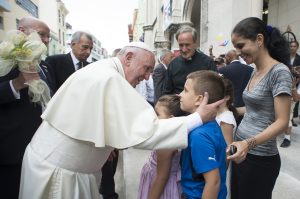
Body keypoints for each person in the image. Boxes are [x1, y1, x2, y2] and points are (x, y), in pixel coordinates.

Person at [19, 42, 224, 199]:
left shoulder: (104, 71)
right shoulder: (109, 78)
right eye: (146, 69)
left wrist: (106, 145)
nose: (146, 77)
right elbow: (147, 132)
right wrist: (197, 118)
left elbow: (98, 123)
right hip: (60, 174)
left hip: (63, 167)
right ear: (128, 58)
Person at [227, 17, 292, 199]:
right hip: (242, 153)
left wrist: (247, 143)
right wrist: (230, 109)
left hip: (260, 159)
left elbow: (282, 121)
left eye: (241, 45)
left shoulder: (279, 72)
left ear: (259, 40)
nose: (238, 52)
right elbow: (258, 109)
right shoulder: (255, 70)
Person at [0, 16, 55, 199]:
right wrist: (17, 84)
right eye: (42, 35)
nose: (46, 40)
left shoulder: (44, 65)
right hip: (11, 150)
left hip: (39, 149)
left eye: (48, 37)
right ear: (22, 31)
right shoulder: (3, 58)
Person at [180, 71, 227, 199]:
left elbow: (213, 182)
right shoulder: (211, 125)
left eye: (185, 90)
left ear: (199, 99)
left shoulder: (199, 135)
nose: (180, 95)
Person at [137, 94, 186, 199]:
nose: (153, 117)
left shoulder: (166, 143)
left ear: (171, 119)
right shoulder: (174, 135)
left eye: (157, 114)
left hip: (159, 187)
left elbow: (162, 177)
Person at [163, 26, 216, 95]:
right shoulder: (173, 64)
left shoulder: (208, 63)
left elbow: (215, 90)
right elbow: (167, 92)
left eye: (187, 45)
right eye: (181, 45)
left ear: (195, 44)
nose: (184, 49)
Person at [99, 48, 121, 199]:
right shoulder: (105, 82)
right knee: (106, 171)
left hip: (114, 137)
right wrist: (106, 145)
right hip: (104, 139)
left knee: (111, 167)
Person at [218, 49, 253, 125]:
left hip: (228, 108)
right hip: (247, 108)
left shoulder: (222, 70)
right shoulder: (251, 69)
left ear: (228, 57)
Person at [290, 40, 300, 127]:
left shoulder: (299, 58)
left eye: (294, 46)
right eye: (291, 46)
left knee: (294, 101)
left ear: (297, 47)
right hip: (285, 81)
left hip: (296, 82)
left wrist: (296, 83)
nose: (292, 48)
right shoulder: (285, 57)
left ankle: (292, 119)